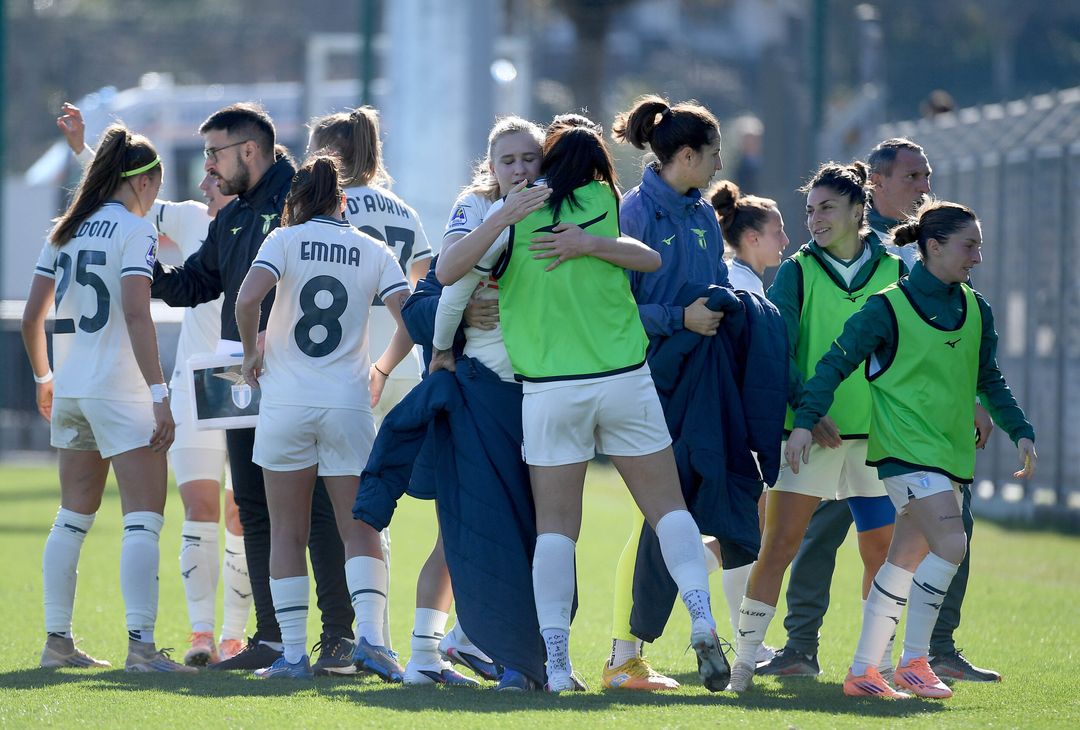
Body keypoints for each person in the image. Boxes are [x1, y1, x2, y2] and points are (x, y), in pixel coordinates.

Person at [432, 113, 730, 694]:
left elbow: (447, 274)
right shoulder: (599, 198)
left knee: (556, 531)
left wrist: (444, 344)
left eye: (527, 159)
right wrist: (593, 244)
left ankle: (560, 666)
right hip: (624, 378)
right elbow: (650, 260)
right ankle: (702, 619)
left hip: (552, 389)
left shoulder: (511, 220)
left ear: (543, 161)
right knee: (670, 511)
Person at [766, 138, 999, 683]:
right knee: (820, 533)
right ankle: (805, 647)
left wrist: (973, 400)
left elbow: (949, 343)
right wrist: (806, 411)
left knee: (930, 538)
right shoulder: (831, 261)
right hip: (839, 431)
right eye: (912, 176)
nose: (923, 186)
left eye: (926, 175)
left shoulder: (934, 244)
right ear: (874, 185)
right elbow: (820, 351)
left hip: (903, 433)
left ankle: (929, 652)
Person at [784, 200, 1036, 698]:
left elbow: (988, 378)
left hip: (950, 456)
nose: (978, 258)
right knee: (952, 546)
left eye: (979, 246)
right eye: (970, 246)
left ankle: (862, 673)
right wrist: (804, 422)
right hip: (905, 455)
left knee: (901, 564)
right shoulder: (886, 306)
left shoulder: (976, 308)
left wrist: (1019, 428)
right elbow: (834, 363)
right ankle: (914, 662)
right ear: (933, 247)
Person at [150, 103, 356, 675]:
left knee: (313, 511)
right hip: (237, 375)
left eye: (215, 153)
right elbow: (196, 282)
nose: (208, 167)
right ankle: (270, 637)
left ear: (249, 150)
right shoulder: (235, 214)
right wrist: (141, 267)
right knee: (255, 508)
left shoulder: (303, 198)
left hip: (296, 376)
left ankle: (338, 638)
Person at [57, 102, 252, 666]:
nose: (210, 182)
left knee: (242, 512)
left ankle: (236, 634)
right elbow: (126, 193)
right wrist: (82, 148)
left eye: (218, 173)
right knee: (197, 505)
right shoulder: (189, 218)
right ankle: (199, 635)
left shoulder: (264, 223)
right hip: (192, 382)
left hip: (242, 378)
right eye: (207, 176)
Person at [309, 107, 477, 685]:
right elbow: (424, 301)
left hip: (346, 374)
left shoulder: (321, 208)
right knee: (442, 510)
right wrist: (401, 363)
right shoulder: (404, 213)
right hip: (407, 369)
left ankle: (371, 638)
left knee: (364, 510)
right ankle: (434, 642)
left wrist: (375, 366)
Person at [234, 154, 414, 680]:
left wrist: (251, 354)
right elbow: (412, 320)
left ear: (293, 204)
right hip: (349, 402)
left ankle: (292, 656)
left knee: (287, 531)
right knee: (360, 527)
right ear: (342, 203)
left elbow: (248, 300)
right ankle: (374, 643)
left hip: (287, 403)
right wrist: (381, 368)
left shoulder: (283, 240)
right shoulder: (373, 249)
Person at [22, 123, 194, 673]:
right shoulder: (135, 231)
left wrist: (45, 379)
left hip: (71, 387)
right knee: (143, 518)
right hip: (119, 391)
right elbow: (138, 312)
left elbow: (32, 318)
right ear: (143, 182)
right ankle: (141, 649)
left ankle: (57, 643)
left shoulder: (65, 229)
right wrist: (159, 394)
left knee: (71, 518)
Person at [727, 161, 905, 693]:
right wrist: (808, 408)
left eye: (826, 207)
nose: (815, 219)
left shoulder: (896, 268)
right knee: (778, 544)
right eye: (808, 210)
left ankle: (875, 667)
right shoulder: (798, 271)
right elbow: (776, 347)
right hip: (807, 434)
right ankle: (743, 664)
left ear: (859, 209)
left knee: (883, 552)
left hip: (874, 438)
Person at [600, 95, 747, 692]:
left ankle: (630, 651)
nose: (718, 166)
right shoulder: (632, 213)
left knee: (679, 512)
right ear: (686, 155)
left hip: (701, 379)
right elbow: (613, 310)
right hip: (648, 380)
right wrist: (677, 319)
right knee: (662, 513)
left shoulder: (704, 214)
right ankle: (623, 653)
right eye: (712, 155)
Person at [709, 180, 789, 297]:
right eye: (778, 232)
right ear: (753, 238)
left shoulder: (729, 276)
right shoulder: (744, 292)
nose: (786, 240)